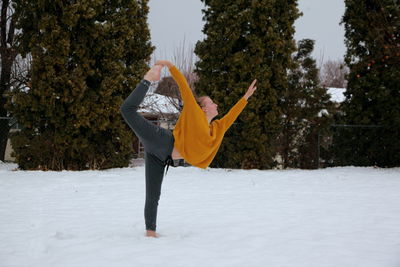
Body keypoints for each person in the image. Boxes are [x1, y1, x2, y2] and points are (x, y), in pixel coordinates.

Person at [120, 60, 257, 237]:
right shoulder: (195, 113)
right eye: (211, 102)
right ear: (203, 108)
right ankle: (148, 78)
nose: (216, 105)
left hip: (162, 158)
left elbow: (232, 115)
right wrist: (171, 67)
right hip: (162, 141)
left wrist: (245, 98)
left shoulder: (216, 129)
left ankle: (150, 233)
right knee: (127, 110)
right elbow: (184, 87)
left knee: (153, 195)